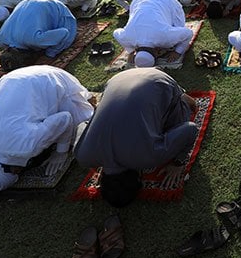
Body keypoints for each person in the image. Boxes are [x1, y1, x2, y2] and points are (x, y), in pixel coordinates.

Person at [74, 68, 198, 207]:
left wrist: (178, 162)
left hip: (159, 81)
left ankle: (180, 97)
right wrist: (104, 159)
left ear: (139, 177)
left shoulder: (149, 158)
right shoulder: (83, 156)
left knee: (180, 119)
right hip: (117, 80)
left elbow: (190, 128)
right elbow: (82, 125)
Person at [0, 65, 94, 192]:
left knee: (81, 131)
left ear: (15, 171)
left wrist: (61, 152)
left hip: (48, 79)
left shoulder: (26, 147)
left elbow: (65, 118)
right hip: (11, 78)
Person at [113, 0, 195, 67]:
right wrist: (131, 51)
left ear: (156, 52)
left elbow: (188, 33)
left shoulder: (166, 38)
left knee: (179, 26)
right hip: (138, 0)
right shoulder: (128, 38)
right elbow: (116, 33)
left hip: (167, 0)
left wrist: (178, 52)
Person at [0, 0, 77, 66]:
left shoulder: (36, 40)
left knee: (68, 38)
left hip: (54, 5)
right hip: (25, 3)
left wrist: (50, 53)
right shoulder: (0, 40)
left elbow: (64, 32)